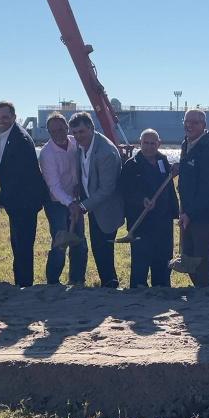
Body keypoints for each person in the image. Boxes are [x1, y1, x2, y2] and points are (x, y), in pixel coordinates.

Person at [0, 100, 48, 287]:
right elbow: (6, 175)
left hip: (25, 201)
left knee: (22, 246)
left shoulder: (20, 140)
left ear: (14, 117)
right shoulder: (3, 135)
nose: (1, 120)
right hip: (15, 200)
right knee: (18, 245)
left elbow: (17, 177)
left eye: (5, 117)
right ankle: (20, 284)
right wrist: (2, 199)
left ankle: (24, 286)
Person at [68, 112, 124, 288]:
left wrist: (83, 206)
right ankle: (108, 283)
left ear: (92, 128)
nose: (78, 136)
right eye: (75, 133)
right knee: (98, 248)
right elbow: (86, 173)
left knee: (103, 249)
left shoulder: (105, 152)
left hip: (107, 209)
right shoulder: (80, 146)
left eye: (82, 132)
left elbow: (107, 189)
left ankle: (110, 284)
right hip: (93, 206)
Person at [120, 129, 179, 288]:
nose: (149, 146)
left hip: (163, 220)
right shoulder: (131, 165)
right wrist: (142, 200)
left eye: (153, 143)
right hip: (141, 222)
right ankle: (138, 290)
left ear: (159, 144)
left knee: (163, 258)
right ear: (140, 143)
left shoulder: (163, 161)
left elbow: (168, 187)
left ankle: (162, 288)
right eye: (146, 143)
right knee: (141, 260)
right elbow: (125, 190)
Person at [176, 109, 209, 288]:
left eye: (195, 122)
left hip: (204, 215)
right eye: (187, 121)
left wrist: (190, 213)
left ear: (204, 126)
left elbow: (208, 189)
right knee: (188, 255)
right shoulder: (186, 144)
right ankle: (199, 289)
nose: (189, 125)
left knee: (202, 258)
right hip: (187, 212)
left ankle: (206, 293)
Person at [38, 112, 86, 285]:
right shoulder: (47, 154)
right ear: (48, 132)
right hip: (56, 202)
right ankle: (52, 282)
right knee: (60, 242)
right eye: (53, 131)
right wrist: (70, 203)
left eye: (61, 129)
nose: (58, 133)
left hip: (76, 198)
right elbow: (54, 186)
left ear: (67, 128)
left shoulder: (75, 142)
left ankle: (77, 280)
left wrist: (78, 188)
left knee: (79, 242)